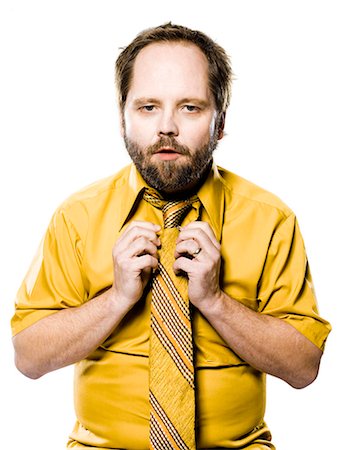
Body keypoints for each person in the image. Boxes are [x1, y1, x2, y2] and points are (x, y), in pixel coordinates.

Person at [11, 23, 331, 450]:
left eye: (190, 108)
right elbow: (28, 358)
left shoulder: (271, 219)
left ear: (220, 123)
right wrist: (117, 298)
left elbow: (304, 367)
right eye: (147, 107)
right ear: (121, 117)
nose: (167, 127)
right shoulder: (77, 217)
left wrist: (215, 301)